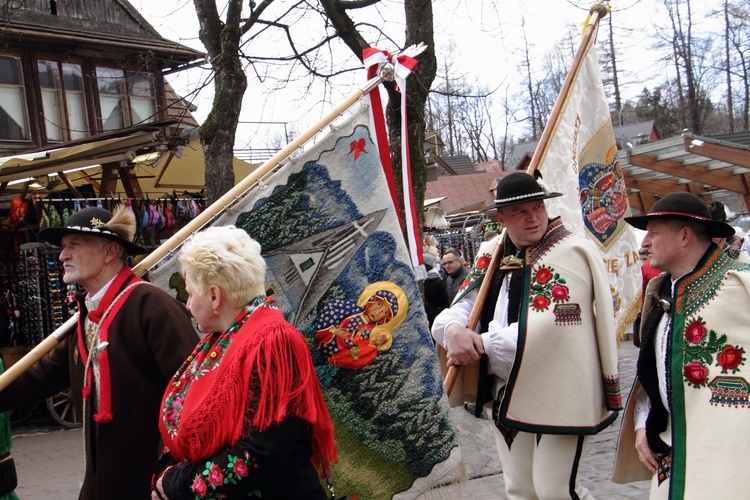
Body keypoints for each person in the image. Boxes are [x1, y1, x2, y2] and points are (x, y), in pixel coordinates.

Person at [432, 172, 622, 499]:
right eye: (520, 211)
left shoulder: (570, 252)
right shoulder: (492, 251)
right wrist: (451, 330)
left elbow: (552, 324)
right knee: (520, 490)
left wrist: (478, 343)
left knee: (557, 491)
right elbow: (464, 305)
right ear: (500, 218)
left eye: (538, 207)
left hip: (561, 393)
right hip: (506, 393)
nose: (533, 217)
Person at [0, 206, 198, 500]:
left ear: (109, 252)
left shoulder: (151, 306)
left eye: (73, 245)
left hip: (151, 481)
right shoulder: (88, 317)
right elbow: (39, 376)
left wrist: (178, 475)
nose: (62, 256)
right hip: (100, 484)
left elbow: (195, 389)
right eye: (63, 247)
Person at [151, 226, 336, 499]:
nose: (188, 306)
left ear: (215, 295)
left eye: (190, 294)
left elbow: (259, 453)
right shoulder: (221, 338)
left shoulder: (273, 342)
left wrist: (175, 486)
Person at [612, 192, 750, 498]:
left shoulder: (738, 286)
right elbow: (652, 371)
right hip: (672, 451)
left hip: (730, 460)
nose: (644, 242)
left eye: (654, 232)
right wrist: (642, 423)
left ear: (685, 235)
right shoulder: (662, 291)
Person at [314, 282, 406, 369]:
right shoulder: (348, 308)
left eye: (385, 312)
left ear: (387, 318)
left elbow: (359, 356)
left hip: (336, 358)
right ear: (371, 300)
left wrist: (351, 346)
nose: (378, 312)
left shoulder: (372, 335)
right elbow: (326, 316)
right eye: (379, 304)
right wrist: (333, 331)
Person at [633, 247, 662, 347]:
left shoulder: (645, 268)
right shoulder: (645, 268)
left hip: (648, 307)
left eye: (644, 259)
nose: (642, 262)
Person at [422, 253, 450, 328]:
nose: (436, 265)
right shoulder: (437, 281)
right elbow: (445, 302)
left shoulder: (421, 281)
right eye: (434, 263)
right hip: (439, 317)